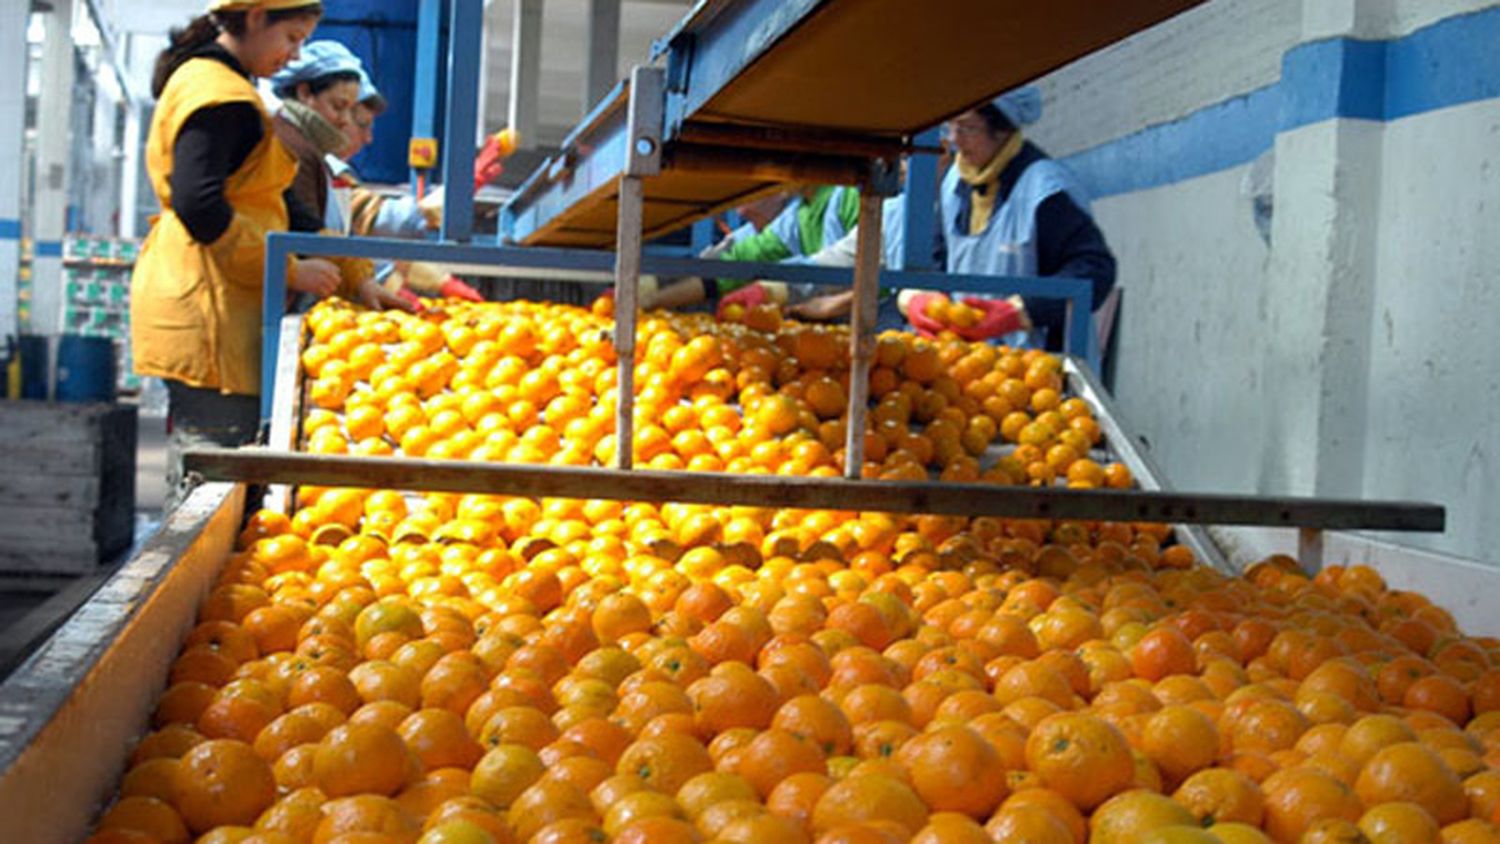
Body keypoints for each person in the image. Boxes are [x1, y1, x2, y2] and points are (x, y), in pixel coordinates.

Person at [131, 0, 402, 511]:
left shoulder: (230, 89)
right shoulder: (218, 96)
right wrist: (290, 269)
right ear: (255, 18)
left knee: (224, 471)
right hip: (209, 308)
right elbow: (199, 204)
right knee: (210, 480)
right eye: (292, 38)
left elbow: (277, 202)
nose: (294, 53)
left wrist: (355, 275)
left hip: (220, 300)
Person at [918, 86, 1115, 349]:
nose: (955, 139)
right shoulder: (954, 185)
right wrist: (924, 298)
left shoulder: (1045, 189)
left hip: (1037, 366)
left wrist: (1019, 312)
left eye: (968, 128)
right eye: (951, 127)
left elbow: (1094, 269)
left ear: (1002, 130)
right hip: (971, 360)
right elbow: (939, 260)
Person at [640, 185, 860, 310]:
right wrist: (652, 297)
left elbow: (863, 262)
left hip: (880, 339)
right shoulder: (798, 216)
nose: (740, 211)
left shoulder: (852, 197)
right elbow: (735, 265)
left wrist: (773, 290)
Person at [269, 40, 364, 222]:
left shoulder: (309, 148)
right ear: (305, 93)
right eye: (338, 106)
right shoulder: (295, 150)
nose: (345, 120)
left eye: (351, 110)